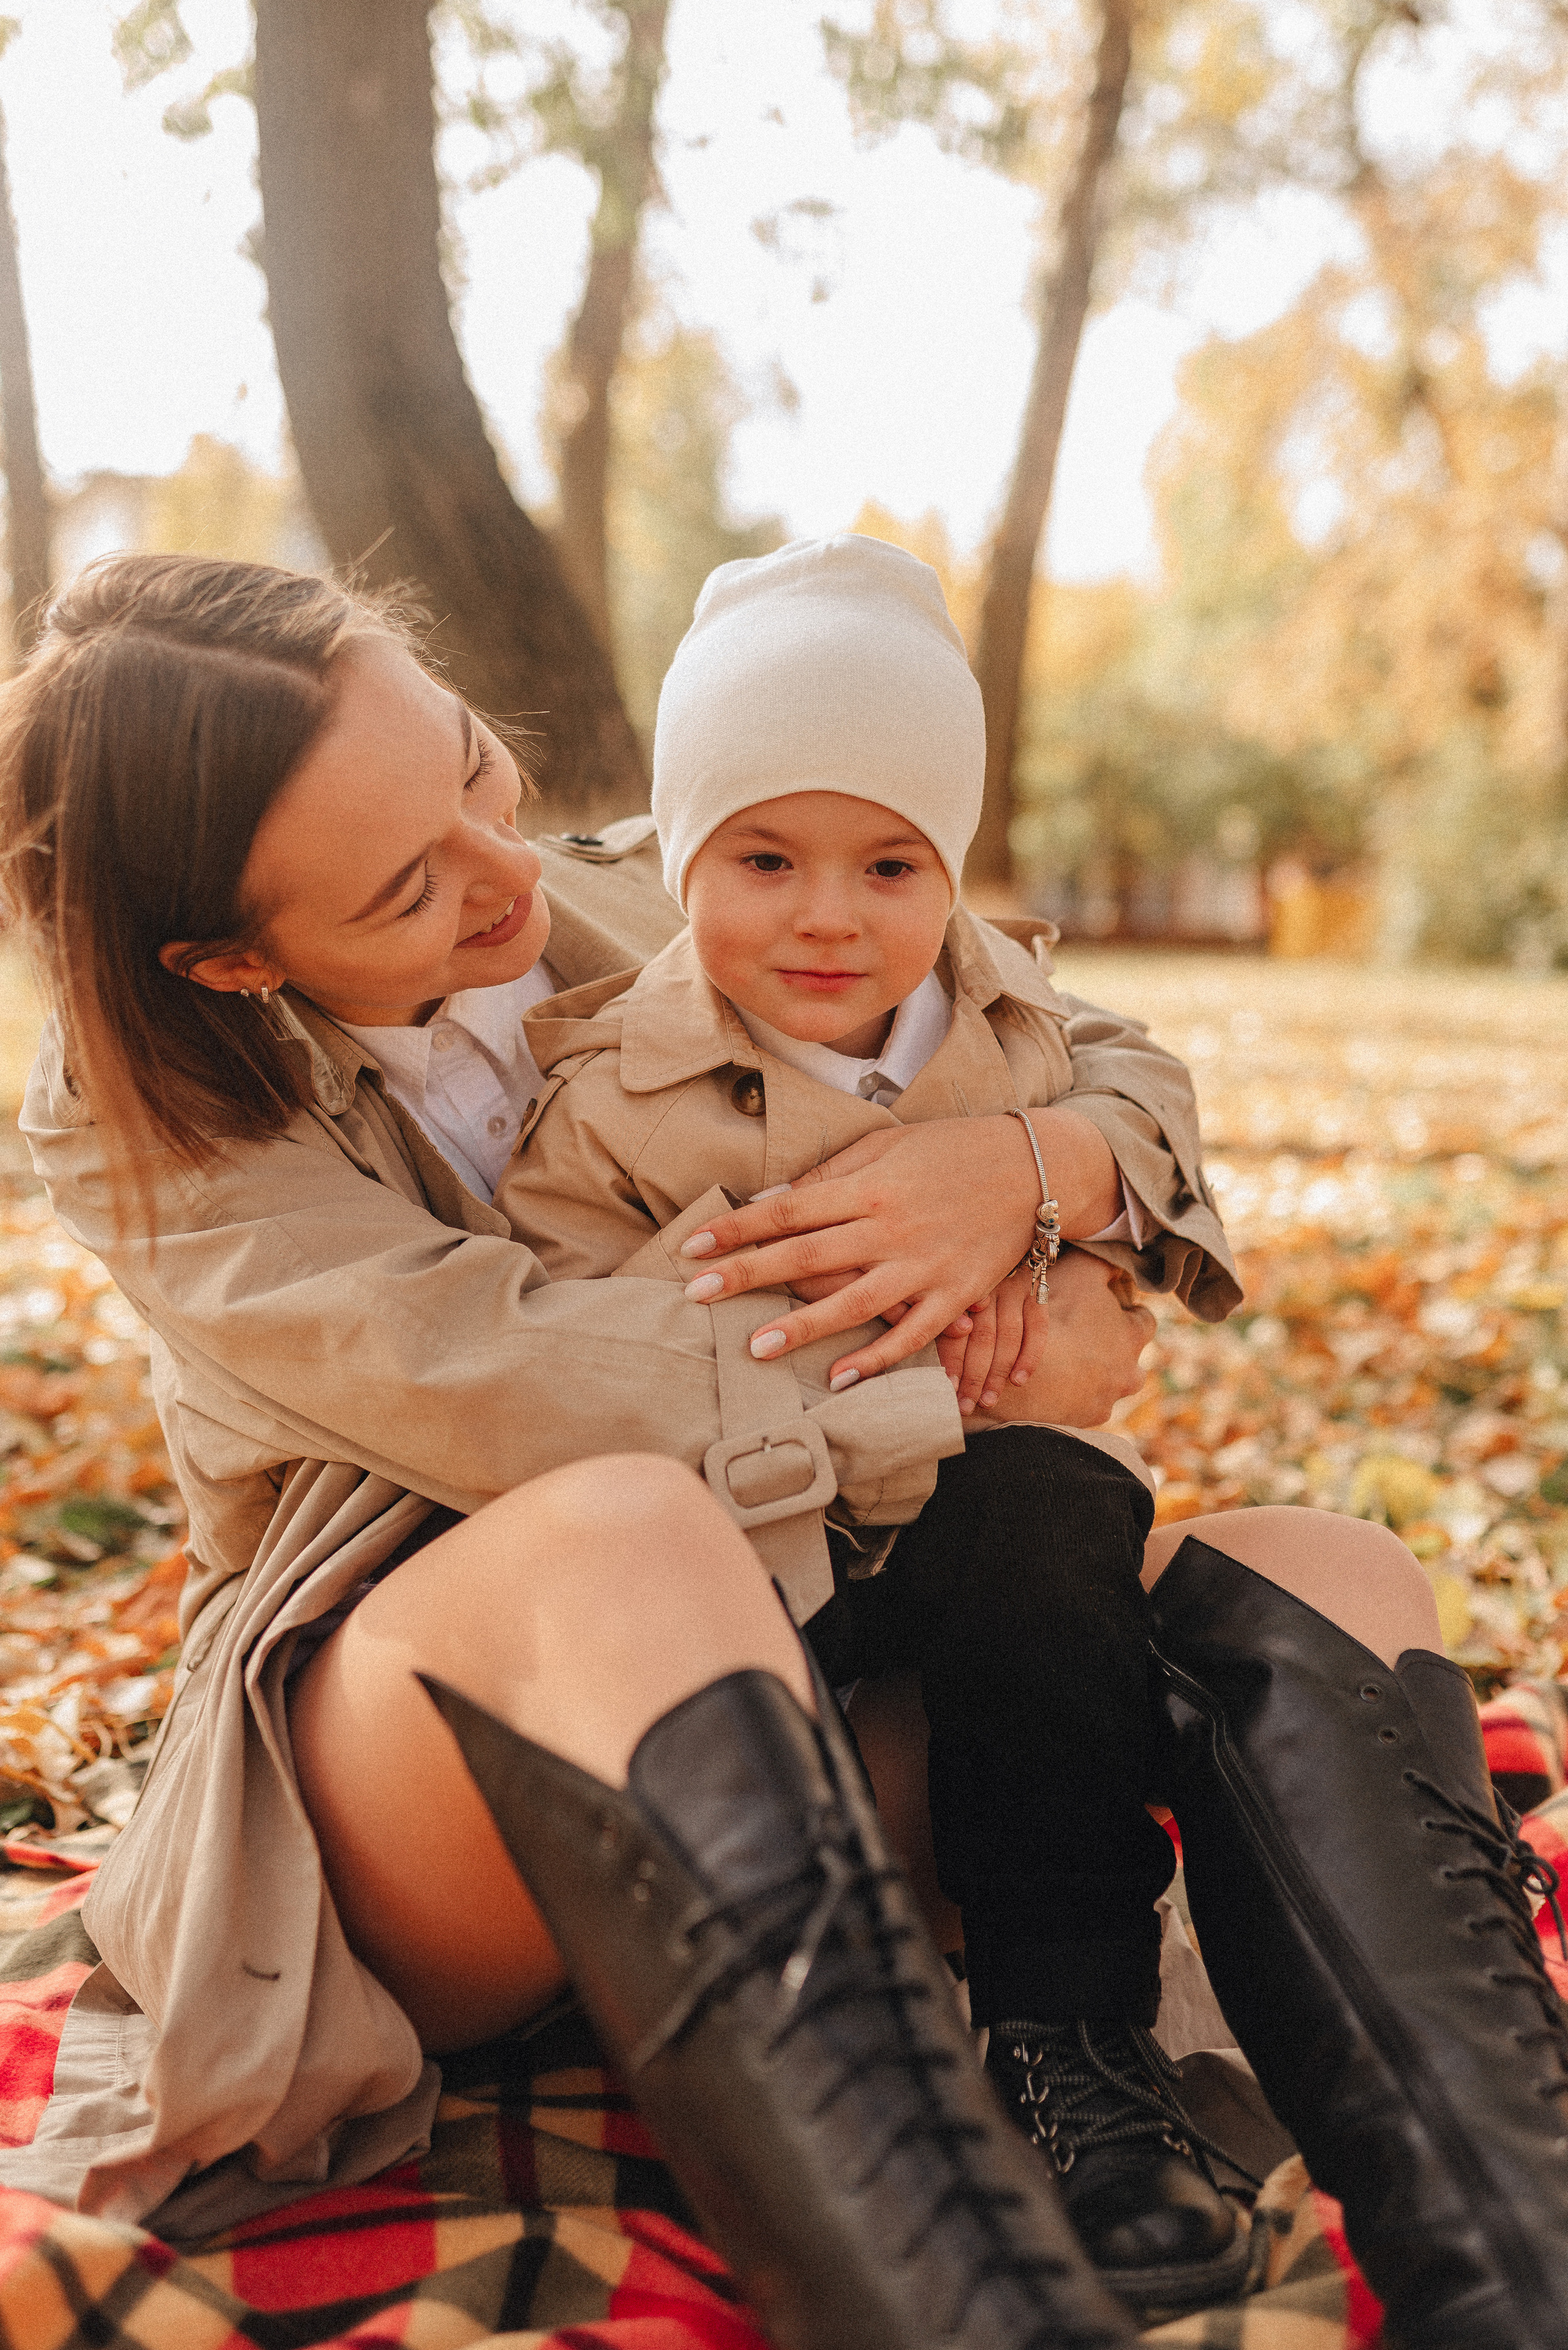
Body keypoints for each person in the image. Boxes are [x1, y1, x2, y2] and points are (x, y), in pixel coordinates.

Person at [0, 556, 1562, 2350]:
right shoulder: (143, 1106)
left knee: (1324, 1571)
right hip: (440, 1783)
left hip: (823, 1670)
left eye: (477, 769)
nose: (507, 871)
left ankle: (1519, 2269)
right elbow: (507, 1381)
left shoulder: (663, 877)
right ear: (232, 956)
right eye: (412, 885)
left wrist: (1035, 1171)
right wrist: (966, 1370)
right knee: (621, 1531)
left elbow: (1093, 1046)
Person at [495, 535, 1248, 2317]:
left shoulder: (1019, 1041)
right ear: (681, 858)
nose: (829, 917)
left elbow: (1132, 1228)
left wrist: (1046, 1238)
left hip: (983, 1553)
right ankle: (823, 2084)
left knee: (1052, 1511)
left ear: (952, 869)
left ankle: (1076, 2045)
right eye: (764, 860)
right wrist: (886, 1339)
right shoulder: (602, 1104)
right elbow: (582, 1358)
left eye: (891, 864)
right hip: (748, 1557)